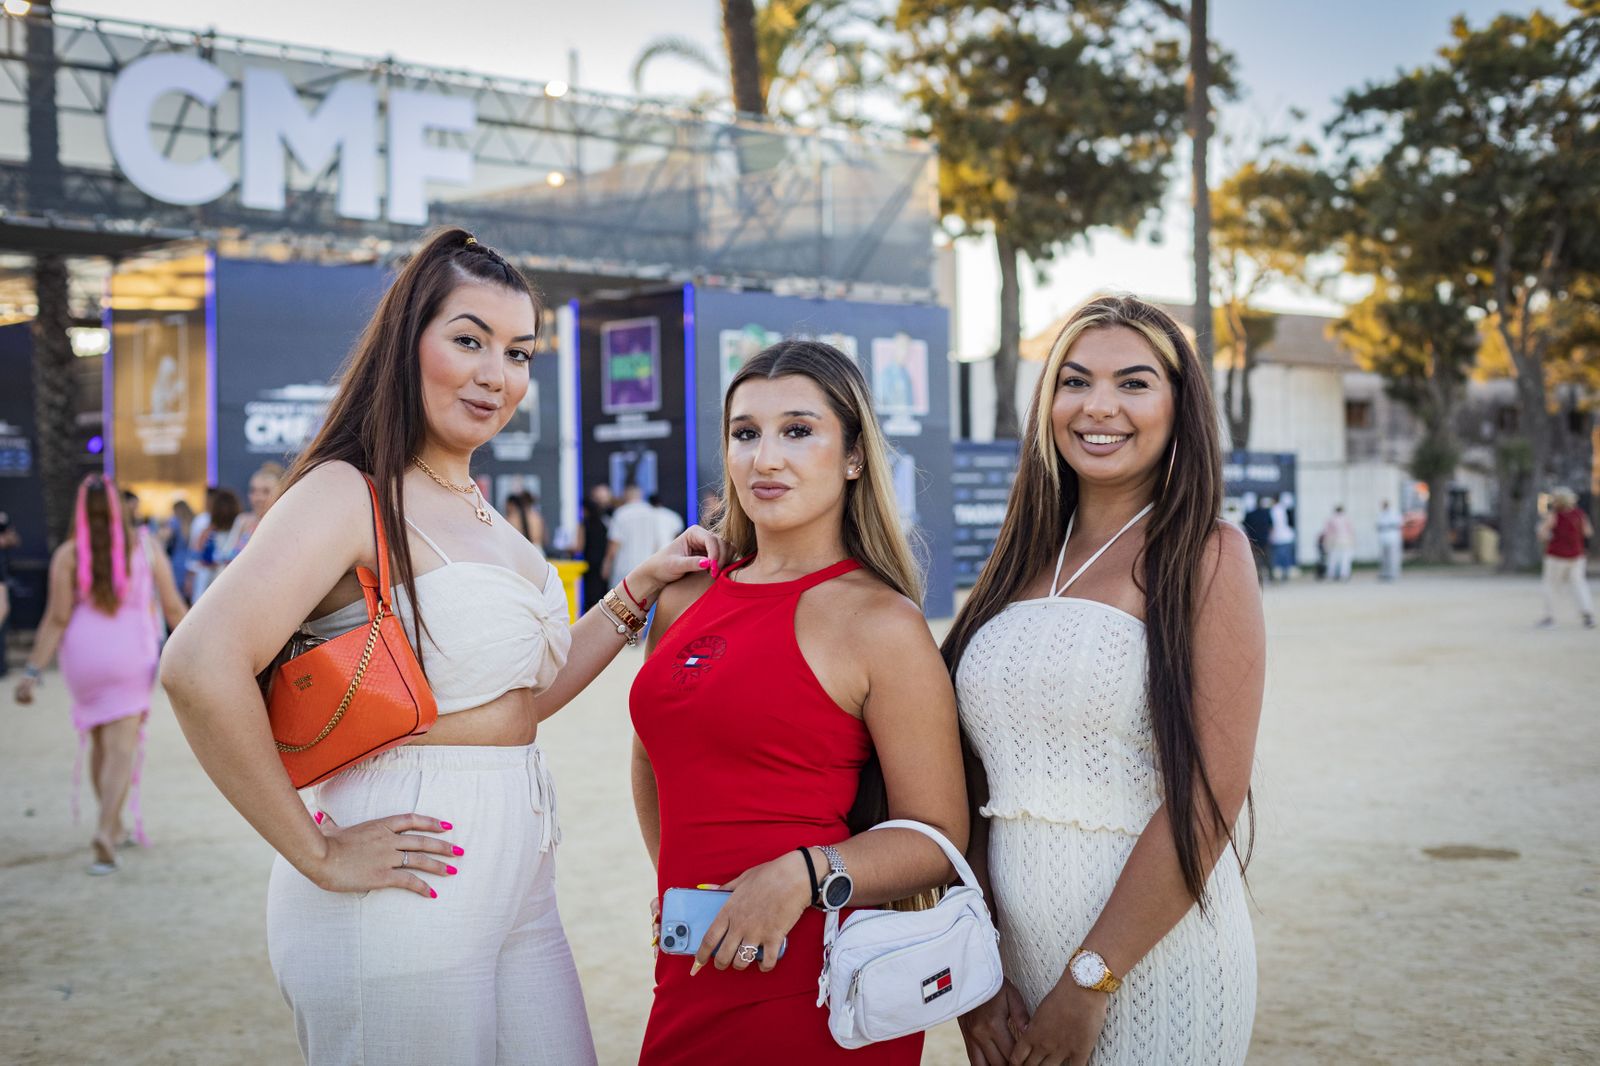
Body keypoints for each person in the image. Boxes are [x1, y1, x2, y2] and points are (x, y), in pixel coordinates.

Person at [158, 228, 730, 1065]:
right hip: (405, 867)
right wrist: (316, 852)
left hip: (521, 870)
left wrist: (634, 591)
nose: (497, 374)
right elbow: (197, 666)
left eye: (518, 352)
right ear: (406, 342)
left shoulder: (482, 511)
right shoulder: (347, 493)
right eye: (469, 340)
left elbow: (517, 703)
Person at [630, 340, 968, 1065]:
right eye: (745, 433)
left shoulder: (882, 623)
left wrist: (800, 875)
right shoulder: (686, 594)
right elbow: (655, 759)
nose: (765, 458)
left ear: (854, 457)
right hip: (695, 959)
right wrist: (687, 891)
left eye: (797, 431)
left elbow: (938, 839)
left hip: (816, 981)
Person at [946, 296, 1261, 1065]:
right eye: (1076, 380)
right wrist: (978, 969)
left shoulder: (1208, 553)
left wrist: (1091, 981)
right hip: (1013, 970)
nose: (1098, 406)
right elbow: (971, 785)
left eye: (1134, 383)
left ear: (1179, 405)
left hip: (1154, 962)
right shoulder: (1020, 558)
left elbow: (1210, 796)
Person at [14, 475, 188, 873]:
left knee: (98, 742)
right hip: (131, 655)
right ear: (118, 508)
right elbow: (174, 608)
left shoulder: (69, 554)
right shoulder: (146, 547)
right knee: (122, 748)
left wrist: (32, 670)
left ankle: (114, 823)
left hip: (83, 657)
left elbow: (56, 618)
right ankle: (107, 831)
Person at [1537, 487, 1594, 629]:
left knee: (1551, 586)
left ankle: (1550, 617)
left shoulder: (1554, 515)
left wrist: (1548, 536)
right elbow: (1588, 532)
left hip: (1556, 556)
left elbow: (1542, 533)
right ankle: (1587, 614)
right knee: (1579, 584)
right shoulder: (1580, 514)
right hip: (1577, 555)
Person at [604, 483, 669, 588]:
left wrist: (607, 565)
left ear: (625, 495)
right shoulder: (652, 513)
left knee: (619, 598)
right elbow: (657, 543)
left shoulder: (621, 513)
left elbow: (614, 544)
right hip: (646, 567)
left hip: (623, 569)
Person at [187, 487, 242, 600]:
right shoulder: (208, 532)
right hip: (212, 582)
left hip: (213, 583)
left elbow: (195, 558)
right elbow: (196, 557)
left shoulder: (238, 532)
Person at [579, 482, 614, 613]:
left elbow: (579, 545)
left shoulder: (586, 523)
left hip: (593, 564)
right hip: (603, 564)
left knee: (592, 598)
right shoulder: (608, 520)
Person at [1242, 496, 1273, 585]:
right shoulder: (1266, 513)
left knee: (1256, 560)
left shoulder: (1250, 514)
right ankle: (1271, 577)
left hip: (1254, 540)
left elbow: (1245, 526)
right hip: (1264, 539)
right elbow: (1271, 526)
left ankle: (1257, 578)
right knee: (1267, 559)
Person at [1321, 505, 1356, 582]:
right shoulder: (1347, 519)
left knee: (1333, 559)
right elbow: (1351, 531)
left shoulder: (1331, 519)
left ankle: (1331, 574)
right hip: (1346, 540)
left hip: (1334, 541)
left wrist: (1325, 543)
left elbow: (1326, 532)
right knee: (1345, 559)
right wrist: (1352, 541)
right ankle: (1344, 574)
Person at [1268, 494, 1296, 581]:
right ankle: (1285, 574)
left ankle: (1281, 575)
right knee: (1286, 556)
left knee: (1279, 557)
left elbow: (1273, 525)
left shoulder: (1273, 510)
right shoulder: (1285, 509)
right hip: (1288, 536)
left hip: (1278, 537)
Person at [1376, 499, 1403, 581]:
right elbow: (1378, 525)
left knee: (1392, 557)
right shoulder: (1381, 514)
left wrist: (1386, 526)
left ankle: (1393, 574)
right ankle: (1385, 573)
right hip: (1383, 538)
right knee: (1384, 558)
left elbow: (1398, 524)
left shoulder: (1394, 513)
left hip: (1392, 538)